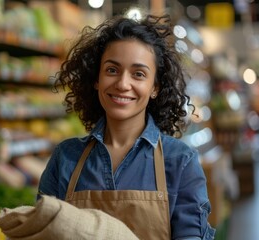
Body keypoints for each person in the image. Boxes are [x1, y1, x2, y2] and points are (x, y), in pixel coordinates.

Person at [37, 13, 216, 240]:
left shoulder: (180, 162)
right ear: (96, 79)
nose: (122, 84)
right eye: (112, 70)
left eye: (138, 74)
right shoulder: (66, 158)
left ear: (155, 88)